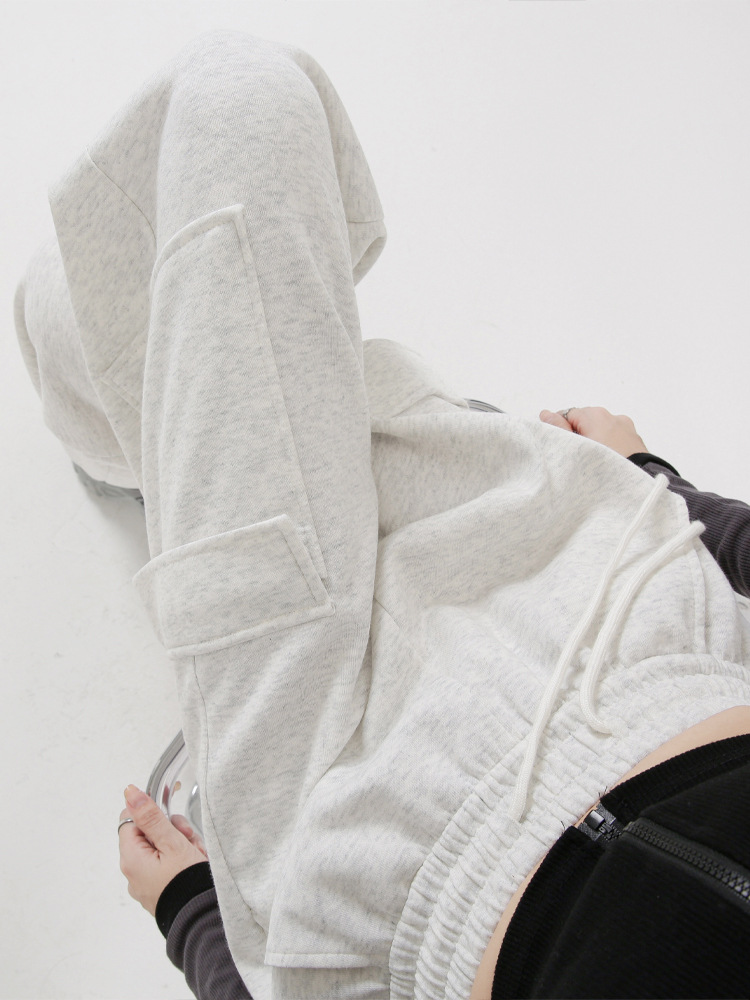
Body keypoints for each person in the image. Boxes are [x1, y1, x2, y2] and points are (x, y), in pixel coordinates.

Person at [15, 31, 750, 1000]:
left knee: (89, 289)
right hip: (607, 605)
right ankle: (149, 434)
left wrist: (193, 914)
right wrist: (656, 483)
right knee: (244, 101)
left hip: (366, 839)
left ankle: (138, 431)